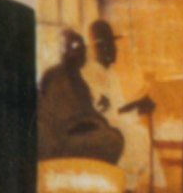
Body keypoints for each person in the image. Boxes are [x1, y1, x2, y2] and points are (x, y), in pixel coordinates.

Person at [86, 19, 162, 193]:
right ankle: (124, 189)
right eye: (111, 47)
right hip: (96, 123)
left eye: (115, 47)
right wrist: (133, 107)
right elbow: (100, 108)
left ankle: (129, 188)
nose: (116, 51)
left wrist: (138, 105)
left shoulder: (110, 72)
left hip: (112, 119)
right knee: (132, 135)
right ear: (100, 48)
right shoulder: (91, 73)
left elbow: (117, 107)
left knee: (138, 132)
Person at [37, 29, 124, 163]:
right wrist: (96, 123)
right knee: (113, 140)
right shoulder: (57, 76)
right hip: (63, 139)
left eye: (83, 49)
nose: (83, 54)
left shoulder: (76, 78)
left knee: (115, 137)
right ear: (66, 52)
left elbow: (86, 110)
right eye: (78, 49)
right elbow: (69, 117)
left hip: (77, 133)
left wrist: (99, 121)